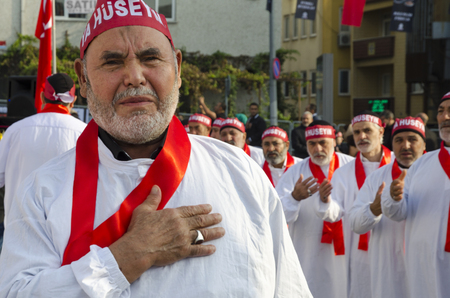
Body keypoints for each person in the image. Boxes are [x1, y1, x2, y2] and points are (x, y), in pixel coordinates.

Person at [0, 2, 312, 297]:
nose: (134, 77)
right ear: (83, 78)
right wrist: (123, 259)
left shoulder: (239, 172)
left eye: (150, 58)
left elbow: (288, 288)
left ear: (176, 68)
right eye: (112, 61)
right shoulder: (41, 191)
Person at [315, 111, 392, 298]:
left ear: (381, 132)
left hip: (392, 243)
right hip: (357, 248)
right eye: (357, 133)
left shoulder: (398, 166)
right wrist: (325, 201)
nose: (361, 136)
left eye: (367, 130)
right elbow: (336, 211)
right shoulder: (344, 173)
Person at [382, 92, 450, 298]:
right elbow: (399, 214)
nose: (445, 117)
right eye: (441, 111)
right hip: (426, 266)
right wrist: (394, 198)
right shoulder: (421, 165)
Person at [349, 116, 426, 298]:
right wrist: (374, 209)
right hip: (389, 269)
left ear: (424, 144)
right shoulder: (377, 178)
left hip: (427, 264)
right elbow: (355, 224)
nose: (405, 146)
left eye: (412, 139)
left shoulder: (437, 174)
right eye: (399, 140)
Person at [276, 120, 354, 298]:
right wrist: (294, 198)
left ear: (334, 141)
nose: (318, 149)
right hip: (307, 248)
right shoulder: (295, 173)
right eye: (312, 143)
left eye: (323, 143)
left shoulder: (350, 167)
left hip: (346, 248)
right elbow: (276, 213)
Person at [0, 73, 86, 225]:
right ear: (73, 101)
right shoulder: (84, 133)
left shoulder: (15, 131)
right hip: (64, 236)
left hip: (17, 234)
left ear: (41, 97)